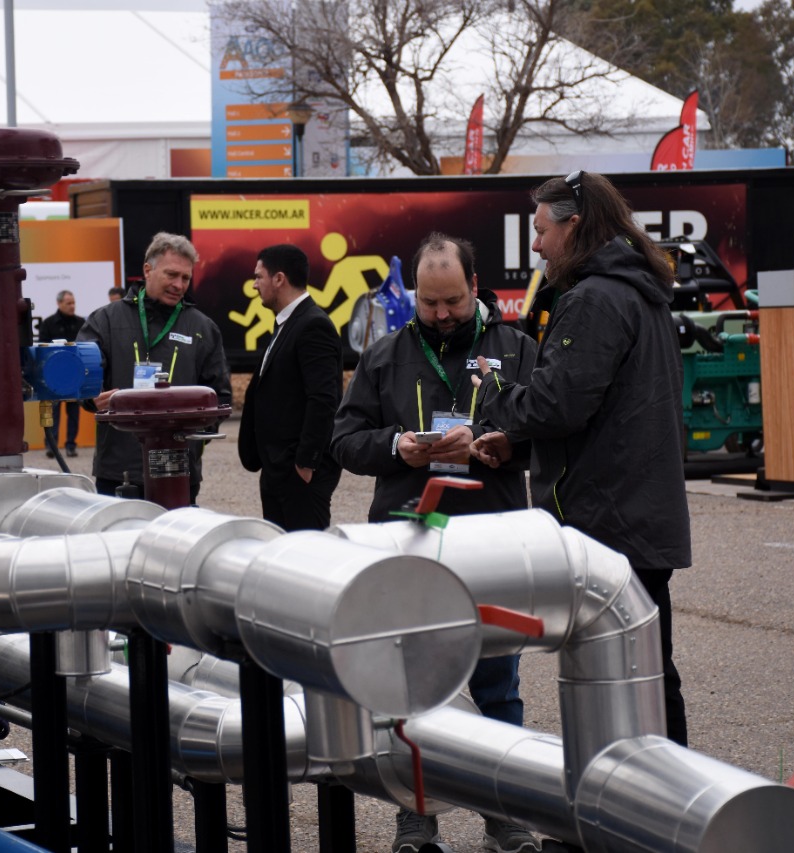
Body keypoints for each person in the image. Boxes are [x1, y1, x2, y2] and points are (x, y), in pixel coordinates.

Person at [331, 233, 539, 853]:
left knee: (498, 683)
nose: (442, 314)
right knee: (409, 683)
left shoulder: (519, 349)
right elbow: (344, 441)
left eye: (451, 301)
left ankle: (506, 813)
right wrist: (398, 446)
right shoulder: (385, 354)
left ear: (475, 288)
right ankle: (415, 815)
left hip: (490, 536)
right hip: (407, 535)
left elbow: (545, 435)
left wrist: (497, 443)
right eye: (429, 303)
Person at [471, 170, 691, 750]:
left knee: (614, 680)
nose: (536, 245)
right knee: (644, 673)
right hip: (633, 517)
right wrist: (518, 445)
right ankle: (662, 815)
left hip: (608, 525)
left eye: (542, 231)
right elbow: (599, 410)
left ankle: (627, 820)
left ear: (576, 224)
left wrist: (493, 398)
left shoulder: (595, 299)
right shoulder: (635, 291)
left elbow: (558, 404)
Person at [77, 232, 232, 503]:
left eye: (185, 278)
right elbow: (82, 375)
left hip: (178, 467)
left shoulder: (202, 327)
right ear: (147, 270)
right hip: (119, 468)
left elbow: (220, 395)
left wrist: (194, 440)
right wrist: (91, 397)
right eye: (171, 275)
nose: (179, 285)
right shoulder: (106, 320)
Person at [237, 245, 343, 531]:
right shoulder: (287, 323)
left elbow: (323, 399)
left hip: (299, 475)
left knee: (305, 560)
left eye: (259, 277)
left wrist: (305, 464)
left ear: (279, 279)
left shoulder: (313, 325)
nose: (255, 284)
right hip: (278, 471)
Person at [38, 289, 86, 457]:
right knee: (53, 413)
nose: (72, 306)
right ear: (59, 303)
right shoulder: (48, 323)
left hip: (75, 374)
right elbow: (42, 349)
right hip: (54, 375)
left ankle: (71, 445)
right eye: (68, 303)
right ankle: (52, 445)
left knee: (74, 413)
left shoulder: (81, 323)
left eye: (73, 303)